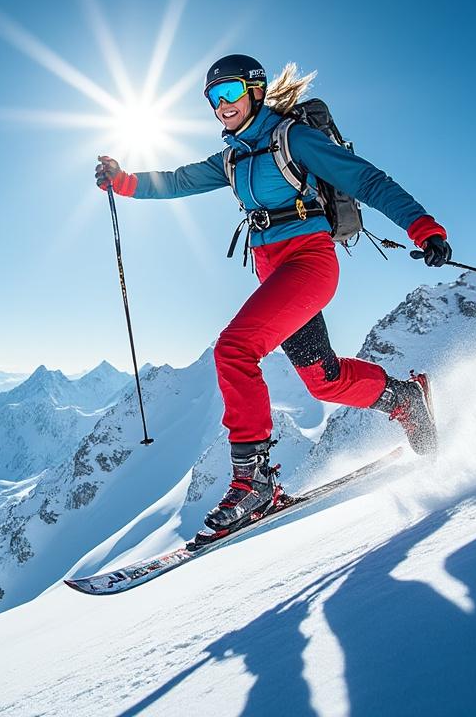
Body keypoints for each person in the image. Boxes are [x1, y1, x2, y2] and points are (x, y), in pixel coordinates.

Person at [94, 54, 451, 533]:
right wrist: (123, 182)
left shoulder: (293, 138)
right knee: (323, 380)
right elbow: (178, 181)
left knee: (235, 349)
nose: (221, 106)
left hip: (308, 262)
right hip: (274, 272)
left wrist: (422, 227)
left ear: (256, 91)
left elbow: (366, 180)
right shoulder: (232, 157)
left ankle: (253, 480)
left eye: (230, 93)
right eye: (212, 98)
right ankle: (403, 398)